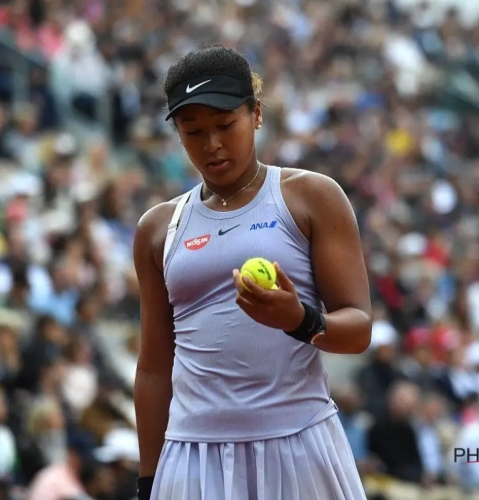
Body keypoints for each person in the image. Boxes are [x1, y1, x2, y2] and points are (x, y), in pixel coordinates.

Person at [133, 45, 372, 500]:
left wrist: (299, 320)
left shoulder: (310, 197)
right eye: (193, 131)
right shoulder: (157, 228)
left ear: (257, 114)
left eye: (225, 125)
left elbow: (358, 330)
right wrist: (148, 483)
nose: (212, 144)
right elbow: (153, 368)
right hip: (191, 458)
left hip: (298, 445)